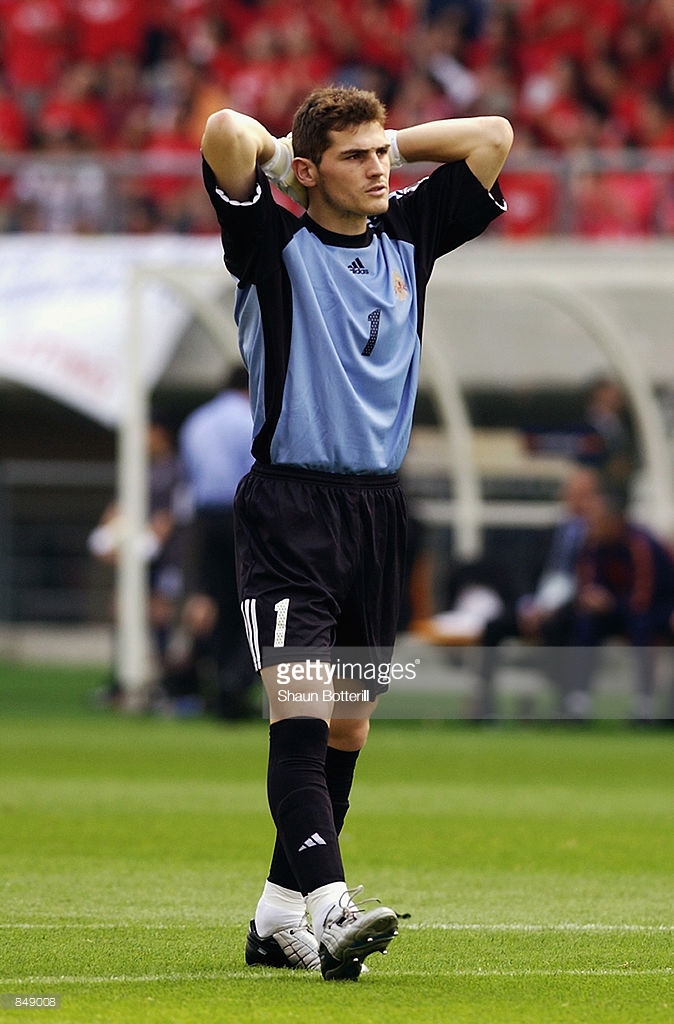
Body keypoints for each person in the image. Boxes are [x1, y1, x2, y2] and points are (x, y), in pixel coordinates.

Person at [200, 84, 512, 980]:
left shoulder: (408, 234)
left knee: (348, 732)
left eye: (383, 154)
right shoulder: (271, 243)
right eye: (356, 157)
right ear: (308, 172)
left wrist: (388, 143)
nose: (379, 169)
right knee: (299, 721)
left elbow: (493, 136)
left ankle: (274, 918)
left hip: (378, 513)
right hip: (292, 512)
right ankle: (332, 906)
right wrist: (285, 157)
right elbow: (224, 132)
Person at [472, 465, 600, 720]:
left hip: (568, 610)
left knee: (567, 629)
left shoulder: (597, 538)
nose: (577, 500)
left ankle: (566, 705)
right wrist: (528, 605)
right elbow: (524, 571)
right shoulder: (549, 533)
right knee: (493, 626)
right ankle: (483, 703)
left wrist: (557, 608)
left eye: (584, 494)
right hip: (536, 606)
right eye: (573, 493)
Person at [178, 364, 256, 719]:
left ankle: (223, 681)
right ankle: (236, 682)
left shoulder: (197, 421)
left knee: (218, 602)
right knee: (252, 599)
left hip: (205, 518)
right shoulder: (249, 418)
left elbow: (189, 477)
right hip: (243, 515)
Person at [565, 484, 674, 722]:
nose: (591, 524)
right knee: (585, 623)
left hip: (656, 608)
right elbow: (586, 582)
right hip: (617, 610)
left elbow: (643, 596)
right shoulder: (593, 545)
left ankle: (644, 703)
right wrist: (591, 598)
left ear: (614, 520)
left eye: (597, 519)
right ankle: (578, 701)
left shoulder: (640, 544)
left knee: (642, 626)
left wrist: (609, 603)